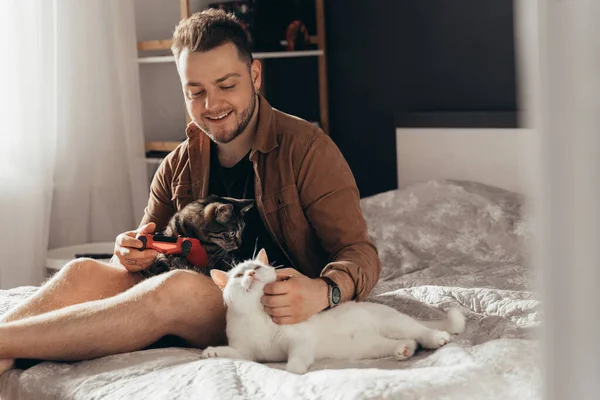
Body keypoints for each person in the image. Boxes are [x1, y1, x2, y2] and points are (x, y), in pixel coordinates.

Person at [0, 9, 380, 374]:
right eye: (195, 92)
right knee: (82, 271)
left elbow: (359, 252)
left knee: (178, 287)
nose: (211, 105)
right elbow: (142, 258)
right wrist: (130, 253)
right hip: (195, 292)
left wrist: (324, 291)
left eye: (226, 86)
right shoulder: (176, 164)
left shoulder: (308, 149)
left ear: (255, 75)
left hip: (270, 310)